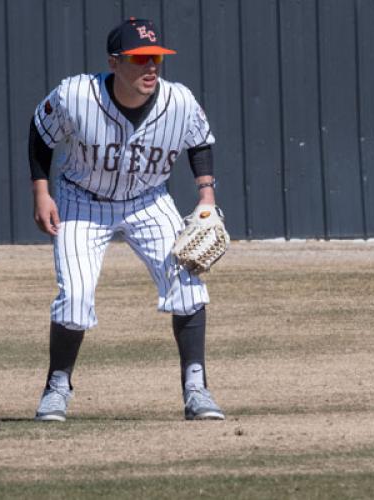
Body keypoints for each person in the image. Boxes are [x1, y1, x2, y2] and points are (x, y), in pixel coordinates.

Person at [28, 18, 225, 421]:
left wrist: (206, 193)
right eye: (139, 59)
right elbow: (41, 132)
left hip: (148, 201)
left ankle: (196, 388)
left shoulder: (179, 101)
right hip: (83, 200)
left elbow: (199, 141)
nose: (150, 66)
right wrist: (42, 191)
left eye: (155, 57)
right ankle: (57, 386)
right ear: (114, 62)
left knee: (187, 285)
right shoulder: (76, 94)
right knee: (76, 297)